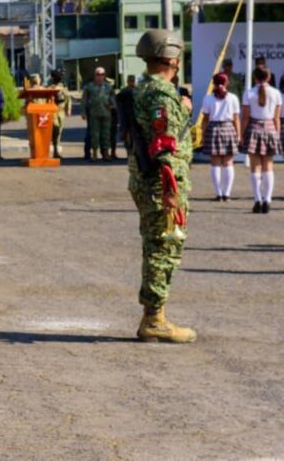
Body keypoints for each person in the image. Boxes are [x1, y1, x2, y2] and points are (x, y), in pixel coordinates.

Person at [129, 29, 196, 343]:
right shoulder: (162, 94)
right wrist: (170, 189)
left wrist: (181, 108)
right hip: (162, 182)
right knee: (164, 248)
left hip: (148, 180)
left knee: (155, 246)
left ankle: (153, 315)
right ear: (171, 58)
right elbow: (165, 143)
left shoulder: (145, 88)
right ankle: (154, 319)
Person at [240, 66, 282, 213]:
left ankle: (257, 200)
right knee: (268, 166)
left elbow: (245, 117)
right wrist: (277, 134)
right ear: (269, 77)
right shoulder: (276, 93)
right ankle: (267, 200)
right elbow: (277, 118)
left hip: (253, 128)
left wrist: (241, 134)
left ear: (255, 77)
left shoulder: (248, 93)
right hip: (270, 128)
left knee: (255, 166)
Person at [199, 73, 241, 202]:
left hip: (213, 129)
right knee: (228, 162)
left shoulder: (208, 98)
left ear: (214, 83)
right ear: (227, 82)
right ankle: (226, 194)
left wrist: (203, 133)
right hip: (229, 128)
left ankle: (218, 194)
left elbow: (205, 119)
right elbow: (236, 119)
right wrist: (239, 134)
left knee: (215, 162)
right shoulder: (233, 98)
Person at [82, 67, 115, 161]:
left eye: (102, 74)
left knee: (106, 134)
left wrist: (112, 105)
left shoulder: (108, 87)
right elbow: (84, 100)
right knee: (94, 134)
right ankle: (95, 153)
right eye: (98, 74)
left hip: (106, 113)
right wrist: (83, 112)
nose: (100, 76)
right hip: (94, 114)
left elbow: (113, 98)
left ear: (104, 75)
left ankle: (106, 153)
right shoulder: (89, 87)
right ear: (95, 75)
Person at [50, 70, 72, 159]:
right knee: (55, 130)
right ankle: (55, 150)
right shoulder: (51, 88)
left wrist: (68, 109)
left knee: (59, 131)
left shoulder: (63, 87)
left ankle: (56, 151)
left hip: (61, 111)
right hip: (53, 111)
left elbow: (68, 98)